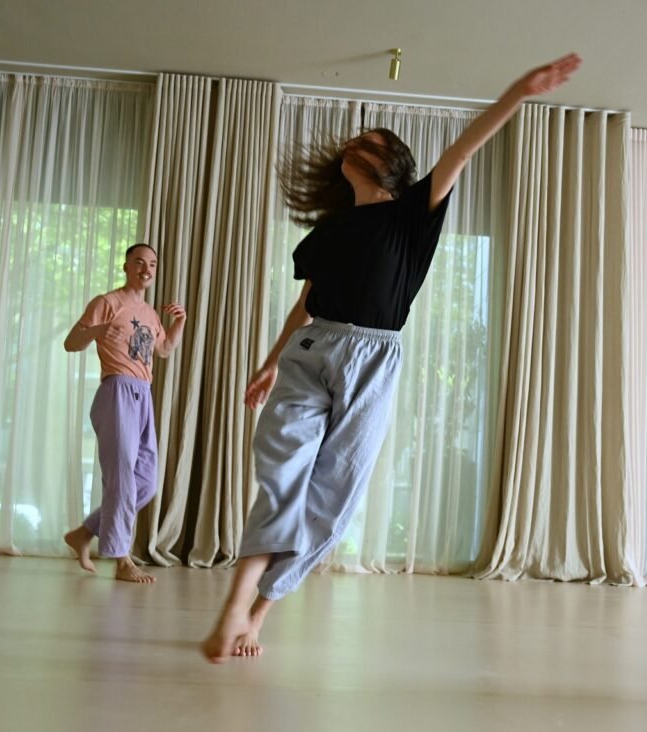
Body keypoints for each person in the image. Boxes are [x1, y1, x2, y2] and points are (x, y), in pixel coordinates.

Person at [202, 53, 582, 660]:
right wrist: (270, 362)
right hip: (310, 351)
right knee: (282, 478)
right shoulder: (331, 229)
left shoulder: (412, 216)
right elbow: (305, 305)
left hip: (372, 362)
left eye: (369, 141)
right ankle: (232, 608)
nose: (354, 144)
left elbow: (462, 151)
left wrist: (519, 91)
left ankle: (258, 614)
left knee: (332, 496)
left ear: (391, 165)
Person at [62, 243, 186, 583]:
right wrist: (98, 331)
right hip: (116, 389)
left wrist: (179, 322)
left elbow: (164, 349)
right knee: (121, 479)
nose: (146, 269)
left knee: (145, 481)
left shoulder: (150, 314)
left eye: (152, 264)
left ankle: (83, 533)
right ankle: (121, 560)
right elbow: (71, 343)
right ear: (126, 266)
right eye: (140, 263)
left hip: (143, 394)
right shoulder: (107, 302)